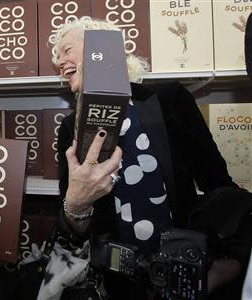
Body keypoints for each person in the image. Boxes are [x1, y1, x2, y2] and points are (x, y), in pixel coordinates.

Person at [52, 17, 250, 299]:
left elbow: (218, 184)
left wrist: (225, 260)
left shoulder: (168, 99)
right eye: (57, 57)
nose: (60, 61)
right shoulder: (70, 128)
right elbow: (73, 226)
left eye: (67, 50)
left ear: (102, 48)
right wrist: (76, 203)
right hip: (116, 285)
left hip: (185, 275)